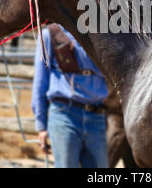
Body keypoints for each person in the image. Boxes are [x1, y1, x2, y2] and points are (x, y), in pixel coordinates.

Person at [31, 24, 109, 168]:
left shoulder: (102, 35)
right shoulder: (51, 34)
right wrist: (41, 125)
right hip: (64, 115)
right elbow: (40, 81)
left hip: (96, 116)